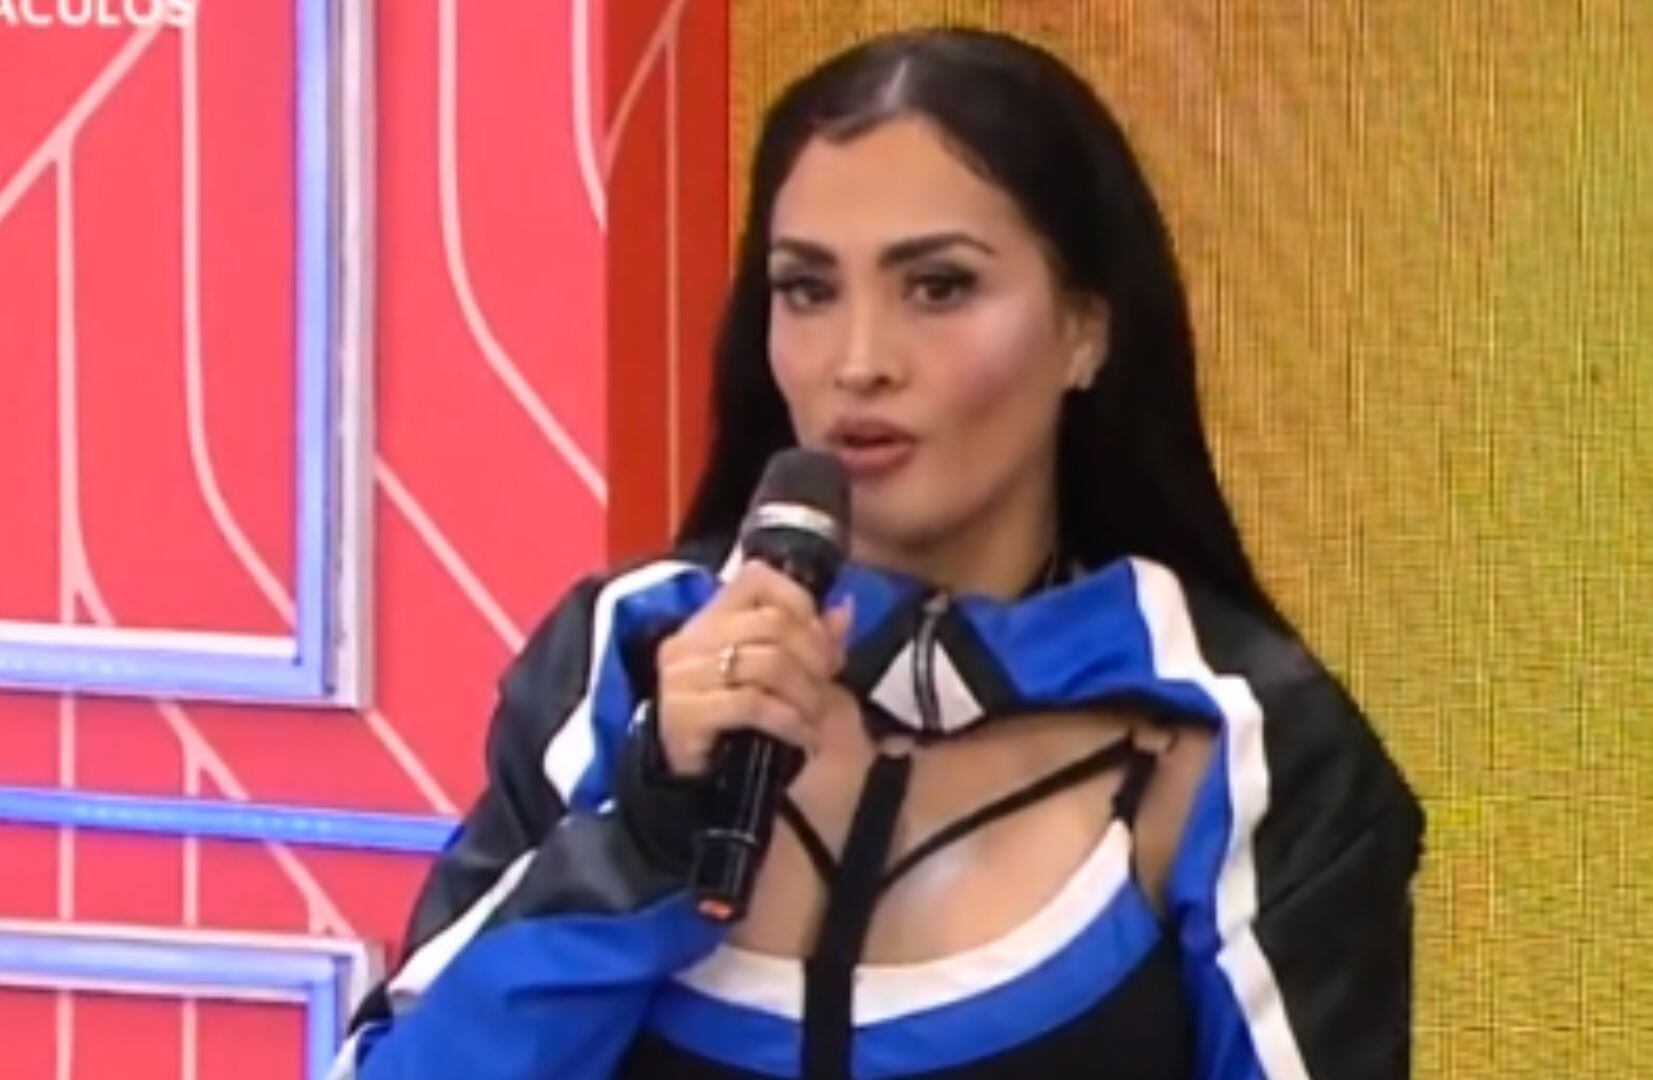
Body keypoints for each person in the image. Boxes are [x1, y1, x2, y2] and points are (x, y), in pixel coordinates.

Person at [329, 26, 1424, 1080]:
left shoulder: (1237, 743)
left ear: (1085, 331)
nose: (858, 362)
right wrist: (647, 831)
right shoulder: (621, 660)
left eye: (939, 288)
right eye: (807, 289)